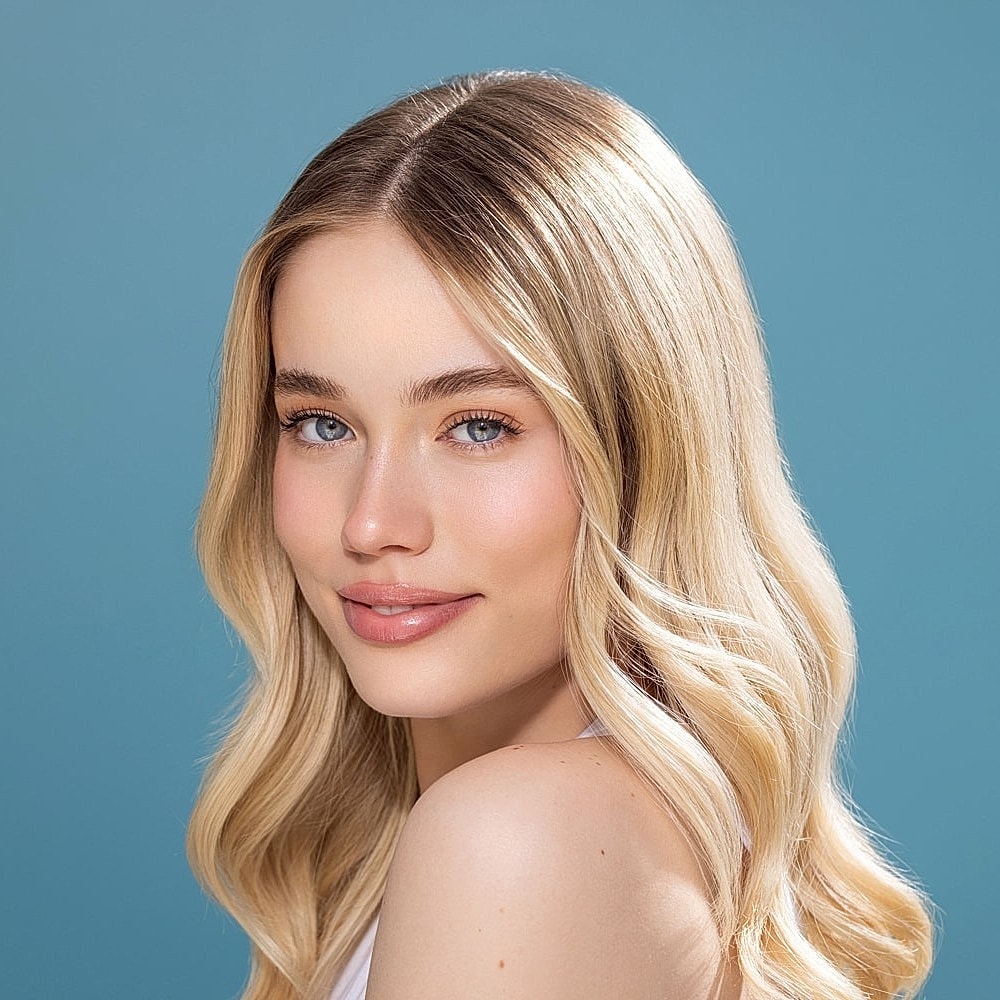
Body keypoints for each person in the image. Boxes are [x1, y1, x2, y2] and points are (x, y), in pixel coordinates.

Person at [187, 71, 934, 1000]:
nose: (372, 523)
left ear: (646, 447)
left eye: (478, 427)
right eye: (320, 424)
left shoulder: (515, 841)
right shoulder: (646, 833)